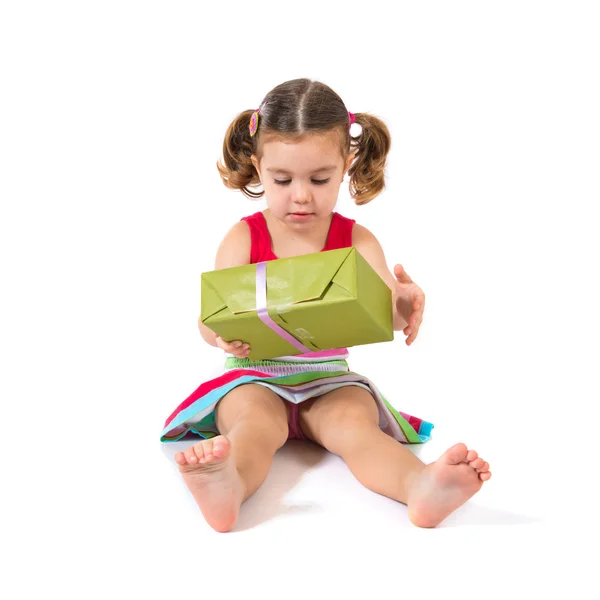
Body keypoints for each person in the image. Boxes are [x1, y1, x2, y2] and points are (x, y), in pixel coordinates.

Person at [162, 78, 491, 533]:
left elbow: (383, 314)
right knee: (254, 427)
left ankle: (420, 486)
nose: (301, 195)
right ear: (257, 167)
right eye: (282, 179)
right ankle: (228, 483)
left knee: (357, 428)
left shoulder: (355, 239)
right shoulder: (243, 237)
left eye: (319, 179)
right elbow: (208, 319)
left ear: (346, 165)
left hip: (329, 378)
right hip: (254, 375)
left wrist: (406, 304)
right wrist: (217, 334)